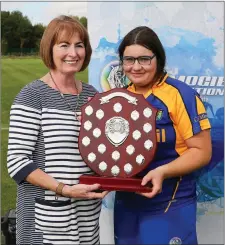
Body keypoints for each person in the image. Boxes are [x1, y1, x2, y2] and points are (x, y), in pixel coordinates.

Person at [7, 15, 107, 245]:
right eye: (64, 45)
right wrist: (64, 189)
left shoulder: (93, 96)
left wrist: (108, 180)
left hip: (86, 216)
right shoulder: (32, 96)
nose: (73, 53)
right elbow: (17, 162)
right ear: (49, 49)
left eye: (79, 45)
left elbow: (105, 153)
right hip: (46, 221)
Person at [113, 26, 212, 244]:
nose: (136, 67)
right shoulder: (117, 98)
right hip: (126, 204)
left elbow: (202, 151)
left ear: (158, 58)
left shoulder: (180, 94)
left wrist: (162, 172)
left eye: (144, 59)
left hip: (170, 202)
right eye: (129, 59)